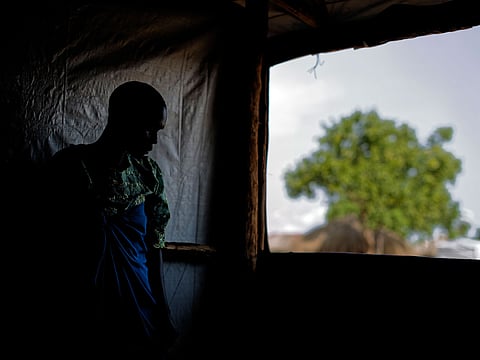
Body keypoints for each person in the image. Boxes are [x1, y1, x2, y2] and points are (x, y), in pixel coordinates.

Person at [34, 81, 178, 358]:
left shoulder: (148, 175)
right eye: (149, 128)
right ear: (123, 119)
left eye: (158, 131)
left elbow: (153, 247)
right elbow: (51, 244)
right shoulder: (71, 166)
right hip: (82, 307)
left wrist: (162, 309)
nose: (154, 140)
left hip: (139, 305)